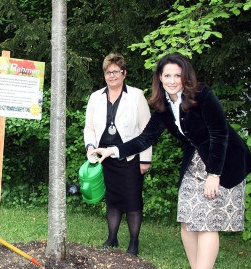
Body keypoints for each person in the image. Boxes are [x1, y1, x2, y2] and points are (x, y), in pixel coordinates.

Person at [94, 53, 251, 268]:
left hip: (224, 161)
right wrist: (112, 150)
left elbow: (220, 134)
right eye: (166, 75)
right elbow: (145, 139)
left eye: (177, 75)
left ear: (185, 77)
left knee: (207, 223)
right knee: (187, 219)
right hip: (194, 163)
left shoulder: (202, 95)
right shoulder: (163, 107)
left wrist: (214, 175)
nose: (171, 80)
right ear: (159, 78)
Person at [84, 53, 152, 256]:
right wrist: (90, 147)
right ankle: (112, 238)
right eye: (108, 72)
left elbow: (146, 130)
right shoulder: (96, 96)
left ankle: (133, 243)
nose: (111, 75)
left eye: (116, 71)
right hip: (103, 157)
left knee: (132, 200)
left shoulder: (137, 96)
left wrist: (145, 159)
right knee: (112, 200)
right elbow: (89, 127)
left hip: (130, 157)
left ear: (124, 73)